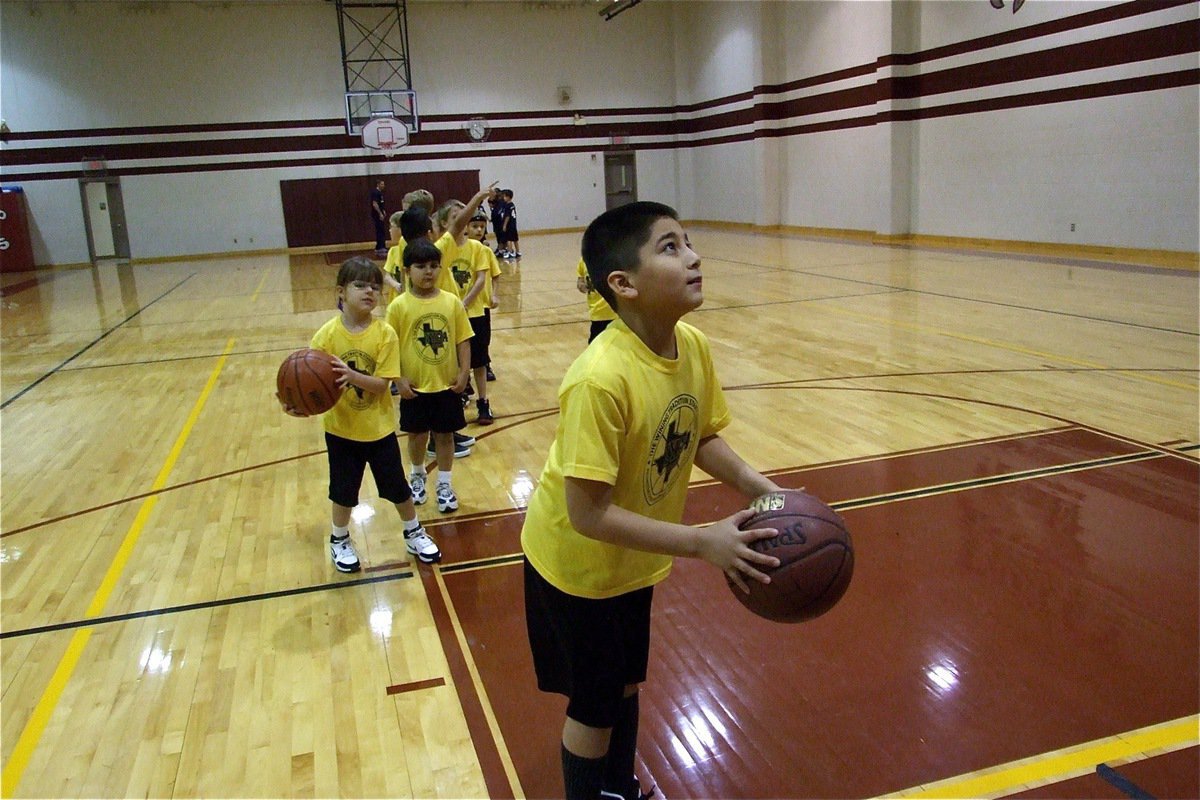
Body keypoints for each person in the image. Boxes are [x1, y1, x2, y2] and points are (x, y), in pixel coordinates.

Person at [520, 202, 782, 800]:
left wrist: (758, 486)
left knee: (626, 683)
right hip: (576, 567)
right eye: (670, 247)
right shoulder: (599, 379)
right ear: (623, 284)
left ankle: (620, 788)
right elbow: (587, 514)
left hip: (630, 558)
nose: (693, 256)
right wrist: (701, 541)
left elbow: (698, 434)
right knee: (594, 706)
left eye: (689, 241)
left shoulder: (691, 345)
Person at [277, 256, 441, 569]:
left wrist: (351, 376)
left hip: (378, 429)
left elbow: (381, 385)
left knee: (398, 489)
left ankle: (413, 531)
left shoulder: (385, 334)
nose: (369, 291)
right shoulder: (326, 336)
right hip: (341, 430)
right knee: (343, 491)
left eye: (375, 287)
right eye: (360, 285)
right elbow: (309, 386)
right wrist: (295, 402)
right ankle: (339, 538)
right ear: (341, 291)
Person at [386, 238, 474, 514]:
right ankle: (416, 475)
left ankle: (445, 484)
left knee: (445, 436)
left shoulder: (452, 302)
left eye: (435, 266)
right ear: (406, 270)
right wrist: (397, 379)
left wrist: (464, 373)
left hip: (446, 385)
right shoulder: (398, 306)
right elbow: (390, 346)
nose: (428, 272)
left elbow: (463, 340)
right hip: (414, 387)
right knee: (416, 436)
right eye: (421, 266)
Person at [467, 211, 501, 381]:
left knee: (483, 339)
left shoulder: (486, 251)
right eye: (474, 226)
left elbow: (495, 275)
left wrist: (494, 295)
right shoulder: (460, 250)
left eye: (482, 227)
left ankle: (485, 364)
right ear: (466, 227)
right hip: (465, 304)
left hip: (482, 304)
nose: (479, 230)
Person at [576, 256, 616, 343]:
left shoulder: (614, 256)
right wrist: (582, 286)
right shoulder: (584, 260)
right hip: (597, 313)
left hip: (616, 314)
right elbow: (580, 280)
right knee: (596, 346)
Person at [499, 188, 520, 259]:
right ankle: (518, 252)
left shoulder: (508, 205)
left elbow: (507, 216)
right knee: (515, 239)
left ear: (508, 197)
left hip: (509, 225)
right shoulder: (512, 205)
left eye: (504, 196)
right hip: (514, 224)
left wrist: (504, 225)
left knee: (509, 239)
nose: (503, 198)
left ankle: (510, 252)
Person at [370, 179, 387, 255]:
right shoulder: (375, 193)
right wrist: (380, 213)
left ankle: (380, 246)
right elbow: (375, 204)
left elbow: (380, 204)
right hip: (377, 215)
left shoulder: (380, 193)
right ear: (378, 184)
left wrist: (383, 211)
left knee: (381, 230)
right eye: (382, 184)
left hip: (380, 214)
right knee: (380, 230)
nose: (383, 186)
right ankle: (380, 247)